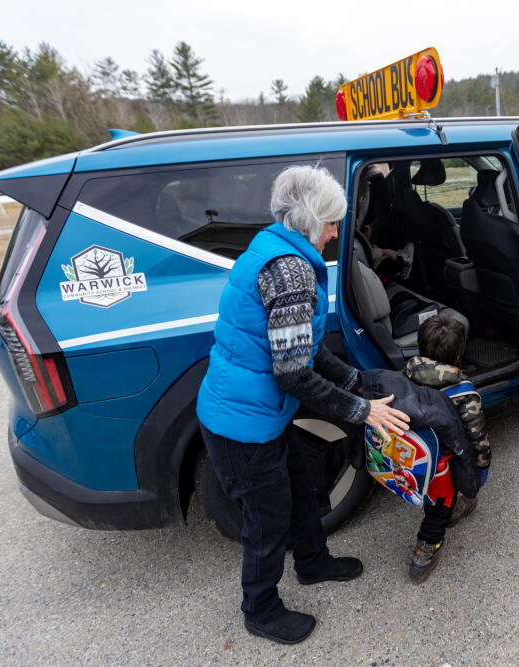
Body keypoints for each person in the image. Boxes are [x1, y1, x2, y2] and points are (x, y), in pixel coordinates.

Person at [196, 165, 410, 645]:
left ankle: (313, 562)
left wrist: (356, 379)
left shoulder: (275, 246)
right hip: (242, 423)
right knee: (267, 518)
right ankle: (261, 608)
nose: (337, 232)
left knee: (299, 481)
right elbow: (292, 374)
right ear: (312, 218)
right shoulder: (290, 272)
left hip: (260, 412)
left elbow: (305, 348)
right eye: (333, 221)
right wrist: (362, 411)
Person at [401, 313, 491, 583]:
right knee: (439, 508)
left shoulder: (405, 373)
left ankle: (445, 516)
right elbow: (478, 436)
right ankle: (424, 552)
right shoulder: (464, 392)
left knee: (432, 498)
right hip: (441, 466)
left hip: (410, 455)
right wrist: (482, 466)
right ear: (457, 356)